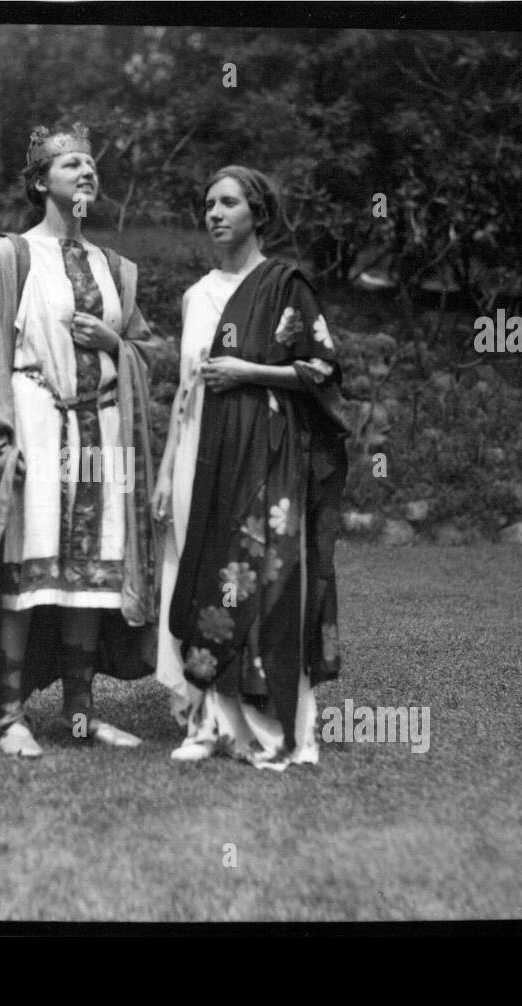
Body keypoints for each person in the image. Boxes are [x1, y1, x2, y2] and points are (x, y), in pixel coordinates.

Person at [0, 122, 162, 759]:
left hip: (103, 432)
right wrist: (1, 435)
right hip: (34, 421)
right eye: (71, 165)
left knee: (91, 577)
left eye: (91, 164)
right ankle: (8, 718)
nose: (87, 172)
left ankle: (82, 713)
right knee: (23, 573)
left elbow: (145, 351)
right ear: (41, 182)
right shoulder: (11, 258)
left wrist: (115, 344)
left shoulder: (116, 268)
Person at [151, 165, 349, 770]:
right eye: (208, 202)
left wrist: (247, 371)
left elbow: (320, 370)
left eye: (228, 202)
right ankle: (204, 721)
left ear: (257, 214)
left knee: (262, 578)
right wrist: (163, 470)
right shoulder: (196, 294)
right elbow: (186, 388)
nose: (214, 213)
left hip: (262, 453)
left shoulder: (284, 284)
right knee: (191, 571)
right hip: (196, 455)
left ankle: (269, 727)